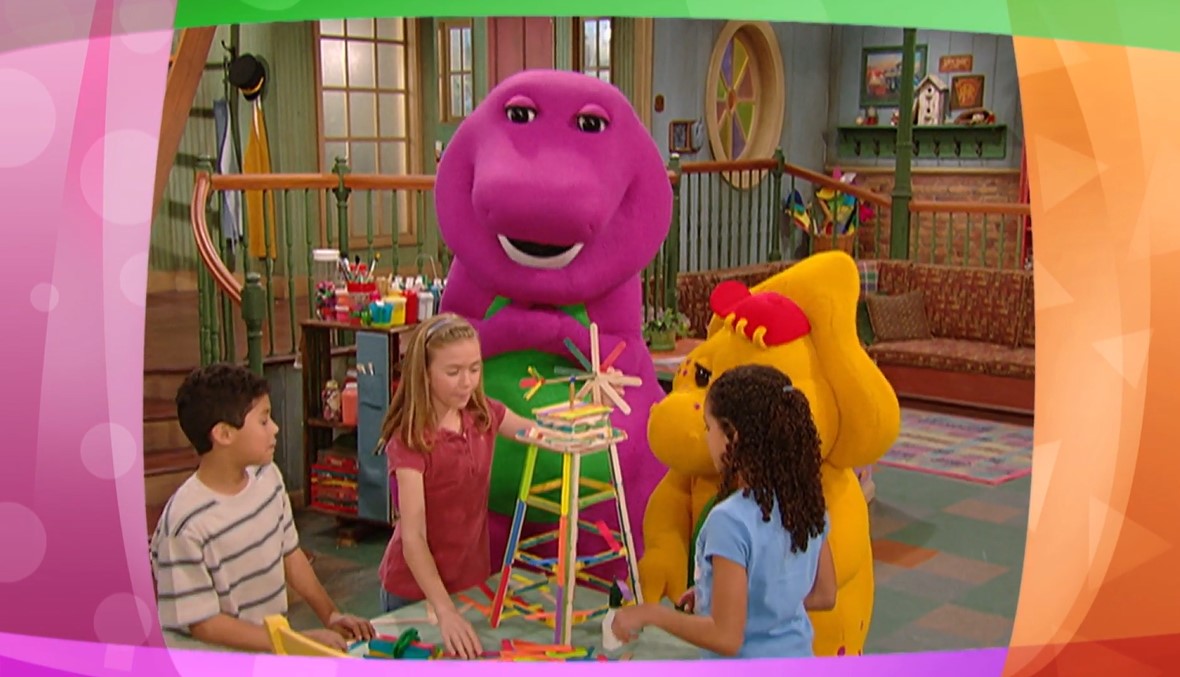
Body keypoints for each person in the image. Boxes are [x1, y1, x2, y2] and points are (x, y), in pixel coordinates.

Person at [611, 364, 837, 659]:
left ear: (733, 436)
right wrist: (715, 597)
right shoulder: (806, 502)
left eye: (709, 428)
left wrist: (652, 614)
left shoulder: (730, 520)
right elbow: (824, 595)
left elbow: (726, 637)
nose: (707, 438)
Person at [149, 363, 375, 653]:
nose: (275, 428)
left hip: (266, 651)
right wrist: (294, 642)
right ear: (224, 434)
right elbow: (204, 624)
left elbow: (290, 554)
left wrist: (331, 615)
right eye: (264, 420)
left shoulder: (267, 477)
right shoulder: (185, 523)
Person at [376, 313, 536, 659]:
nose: (467, 382)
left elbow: (534, 432)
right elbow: (413, 537)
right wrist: (444, 610)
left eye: (474, 369)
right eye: (453, 372)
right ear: (425, 373)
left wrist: (581, 423)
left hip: (470, 584)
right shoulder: (410, 441)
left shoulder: (483, 415)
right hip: (415, 592)